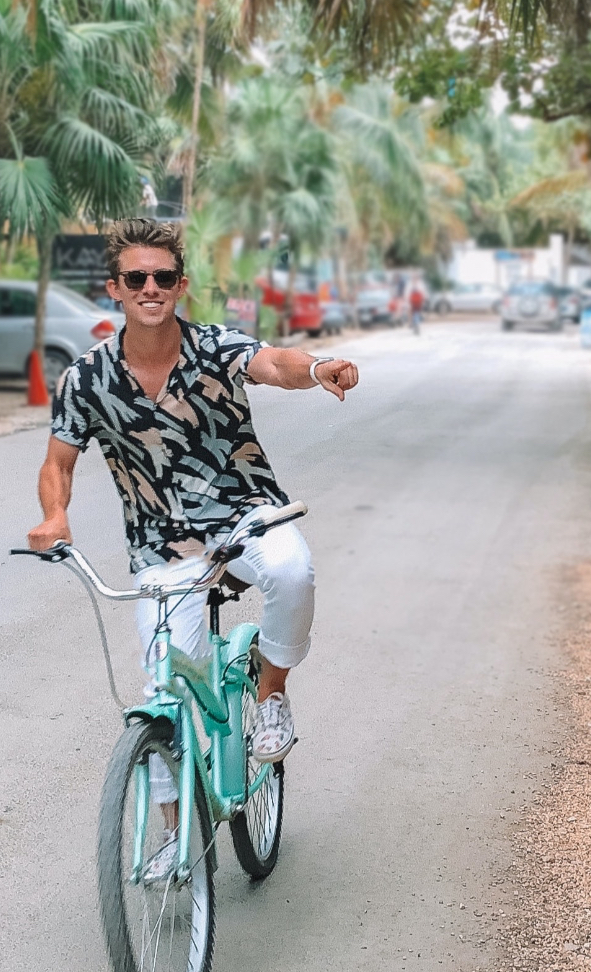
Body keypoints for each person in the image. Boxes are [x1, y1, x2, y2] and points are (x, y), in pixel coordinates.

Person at [26, 218, 359, 762]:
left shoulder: (215, 347)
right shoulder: (85, 379)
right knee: (165, 694)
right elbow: (57, 463)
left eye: (163, 277)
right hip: (162, 545)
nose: (150, 288)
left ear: (180, 285)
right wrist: (54, 516)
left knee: (292, 570)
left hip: (246, 516)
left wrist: (318, 367)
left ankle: (272, 693)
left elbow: (275, 363)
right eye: (135, 279)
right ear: (115, 289)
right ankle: (168, 816)